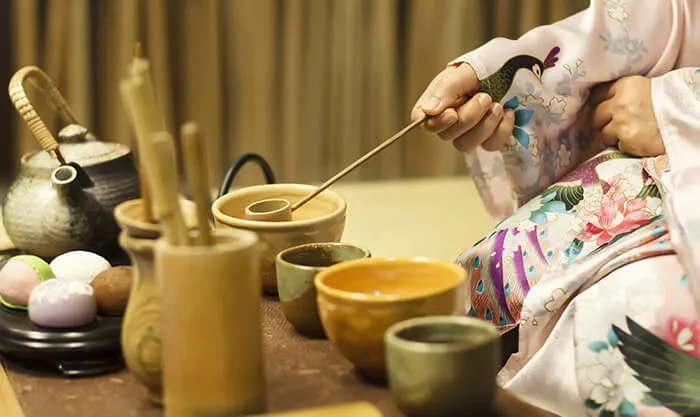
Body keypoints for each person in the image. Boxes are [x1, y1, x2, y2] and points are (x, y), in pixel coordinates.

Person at [412, 1, 700, 416]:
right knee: (495, 265)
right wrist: (506, 75)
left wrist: (678, 109)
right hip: (665, 165)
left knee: (631, 332)